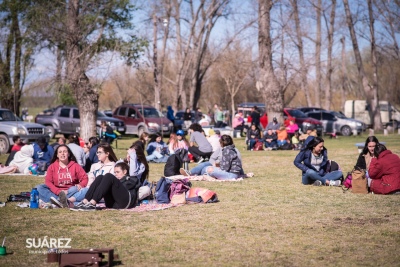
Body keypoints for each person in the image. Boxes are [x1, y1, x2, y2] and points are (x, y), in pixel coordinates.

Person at [70, 162, 140, 211]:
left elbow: (129, 186)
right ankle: (85, 201)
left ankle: (93, 203)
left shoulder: (130, 179)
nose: (116, 174)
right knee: (100, 177)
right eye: (115, 172)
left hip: (126, 202)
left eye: (118, 172)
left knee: (108, 176)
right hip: (112, 204)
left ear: (125, 172)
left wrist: (116, 182)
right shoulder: (115, 182)